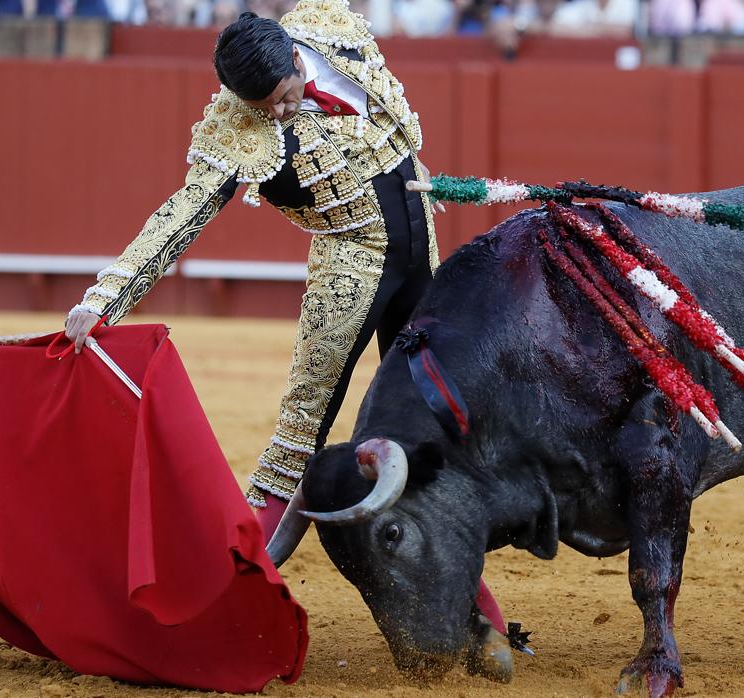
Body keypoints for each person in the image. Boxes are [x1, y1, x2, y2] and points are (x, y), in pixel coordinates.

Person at [62, 3, 512, 638]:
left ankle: (478, 616)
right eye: (261, 105)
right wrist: (104, 298)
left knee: (434, 433)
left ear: (296, 59)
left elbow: (391, 125)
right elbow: (180, 216)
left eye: (280, 96)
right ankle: (211, 608)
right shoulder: (236, 129)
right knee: (297, 446)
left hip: (421, 260)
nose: (276, 112)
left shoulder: (334, 29)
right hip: (349, 273)